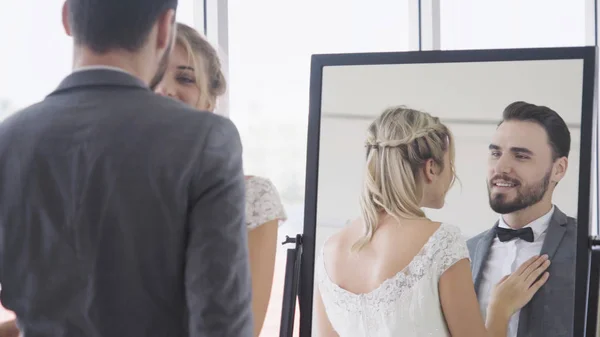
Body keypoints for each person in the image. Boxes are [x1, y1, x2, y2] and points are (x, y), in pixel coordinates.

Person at [0, 0, 253, 336]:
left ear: (67, 19)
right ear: (165, 28)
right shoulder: (205, 140)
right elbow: (220, 319)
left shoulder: (9, 139)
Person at [314, 106, 550, 336]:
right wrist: (500, 309)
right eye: (450, 165)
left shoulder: (329, 249)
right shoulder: (440, 241)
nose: (453, 175)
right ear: (431, 168)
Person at [153, 22, 287, 337]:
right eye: (154, 77)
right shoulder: (113, 187)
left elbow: (246, 328)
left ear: (210, 101)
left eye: (185, 78)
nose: (166, 90)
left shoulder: (254, 196)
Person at [467, 101, 576, 337]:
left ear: (558, 169)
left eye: (521, 156)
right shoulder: (463, 253)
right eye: (496, 153)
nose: (501, 167)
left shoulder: (587, 248)